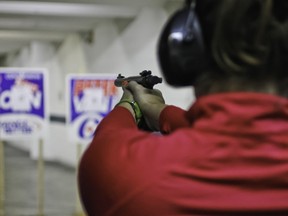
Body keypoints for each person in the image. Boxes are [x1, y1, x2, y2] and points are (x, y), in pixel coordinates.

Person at [78, 0, 288, 215]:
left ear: (188, 52)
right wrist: (158, 111)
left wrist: (130, 104)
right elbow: (244, 132)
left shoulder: (132, 178)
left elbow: (108, 140)